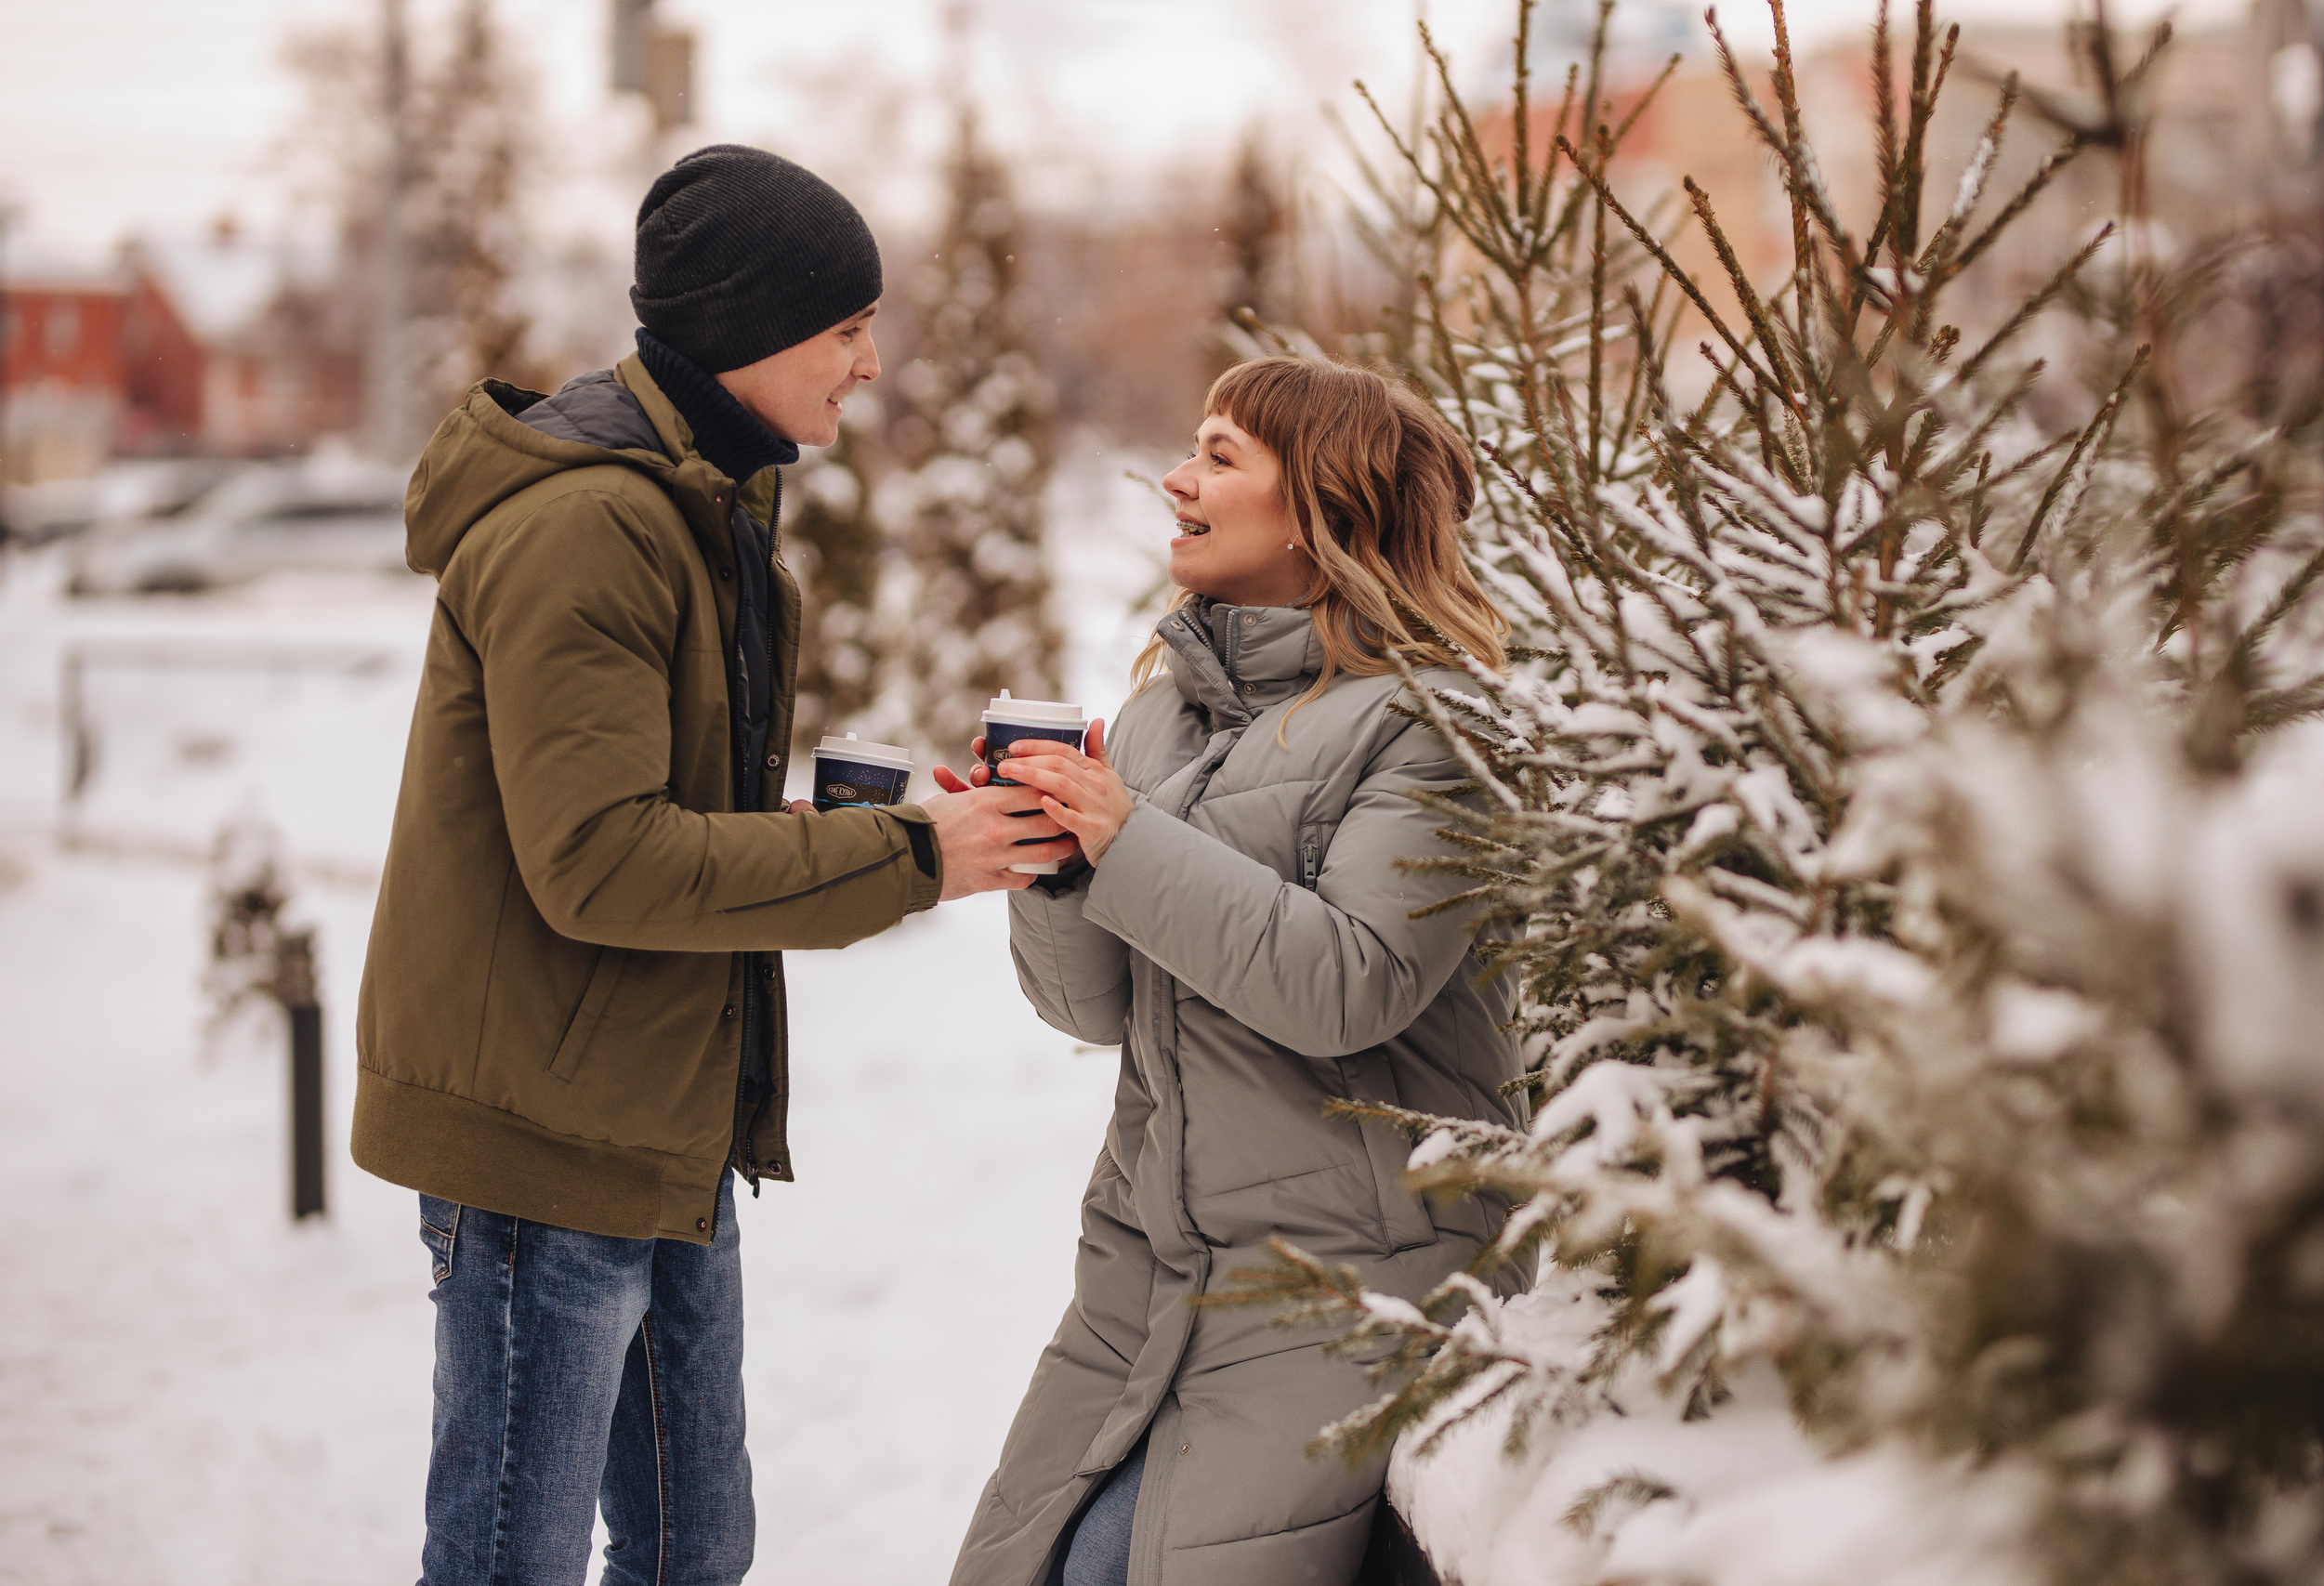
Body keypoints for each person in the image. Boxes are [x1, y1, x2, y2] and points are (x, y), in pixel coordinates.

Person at [350, 144, 1073, 1586]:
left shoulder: (703, 502)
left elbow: (634, 809)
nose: (873, 365)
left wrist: (804, 838)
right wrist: (907, 859)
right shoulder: (591, 526)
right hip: (541, 1140)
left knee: (695, 1546)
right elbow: (597, 865)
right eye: (849, 328)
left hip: (659, 1115)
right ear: (748, 331)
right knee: (511, 1558)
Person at [942, 357, 1529, 1586]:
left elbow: (1348, 983)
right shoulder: (1165, 716)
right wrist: (1051, 864)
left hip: (1358, 1275)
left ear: (1325, 507)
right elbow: (1088, 1007)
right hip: (1154, 1267)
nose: (1176, 478)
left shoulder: (1431, 724)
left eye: (1218, 456)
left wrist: (1126, 838)